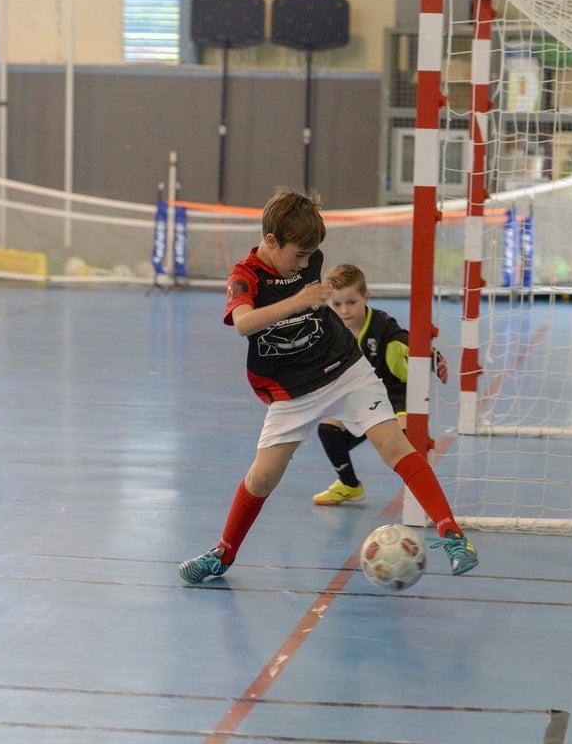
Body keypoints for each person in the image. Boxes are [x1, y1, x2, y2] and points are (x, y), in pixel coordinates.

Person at [178, 190, 478, 584]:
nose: (306, 262)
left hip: (344, 369)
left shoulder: (309, 255)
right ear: (271, 242)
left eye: (309, 256)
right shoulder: (244, 277)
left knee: (394, 445)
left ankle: (453, 534)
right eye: (299, 255)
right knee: (263, 477)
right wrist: (299, 299)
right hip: (290, 391)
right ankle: (224, 553)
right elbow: (243, 324)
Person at [311, 262, 448, 506]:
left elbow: (407, 341)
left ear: (366, 297)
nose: (344, 310)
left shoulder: (382, 325)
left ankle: (424, 496)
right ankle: (349, 484)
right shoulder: (331, 330)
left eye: (351, 302)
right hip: (360, 397)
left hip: (394, 393)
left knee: (406, 439)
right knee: (328, 430)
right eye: (337, 304)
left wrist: (433, 358)